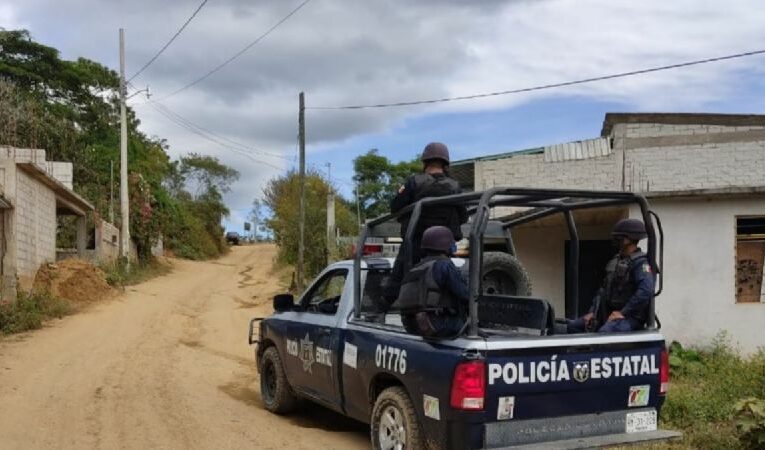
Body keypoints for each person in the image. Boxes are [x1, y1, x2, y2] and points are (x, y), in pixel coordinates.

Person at [383, 142, 468, 304]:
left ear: (425, 162)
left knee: (398, 276)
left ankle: (381, 310)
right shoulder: (454, 186)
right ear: (445, 164)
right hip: (442, 248)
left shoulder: (414, 182)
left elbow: (395, 207)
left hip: (415, 243)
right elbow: (463, 216)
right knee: (449, 280)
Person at [568, 218, 656, 333]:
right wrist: (593, 312)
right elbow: (602, 291)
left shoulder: (640, 263)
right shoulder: (616, 261)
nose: (615, 240)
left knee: (604, 333)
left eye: (619, 237)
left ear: (628, 239)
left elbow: (645, 290)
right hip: (609, 313)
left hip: (630, 317)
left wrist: (623, 312)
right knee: (574, 326)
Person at [393, 226, 469, 338]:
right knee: (473, 327)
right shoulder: (444, 264)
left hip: (412, 326)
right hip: (437, 324)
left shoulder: (416, 267)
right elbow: (465, 294)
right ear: (445, 244)